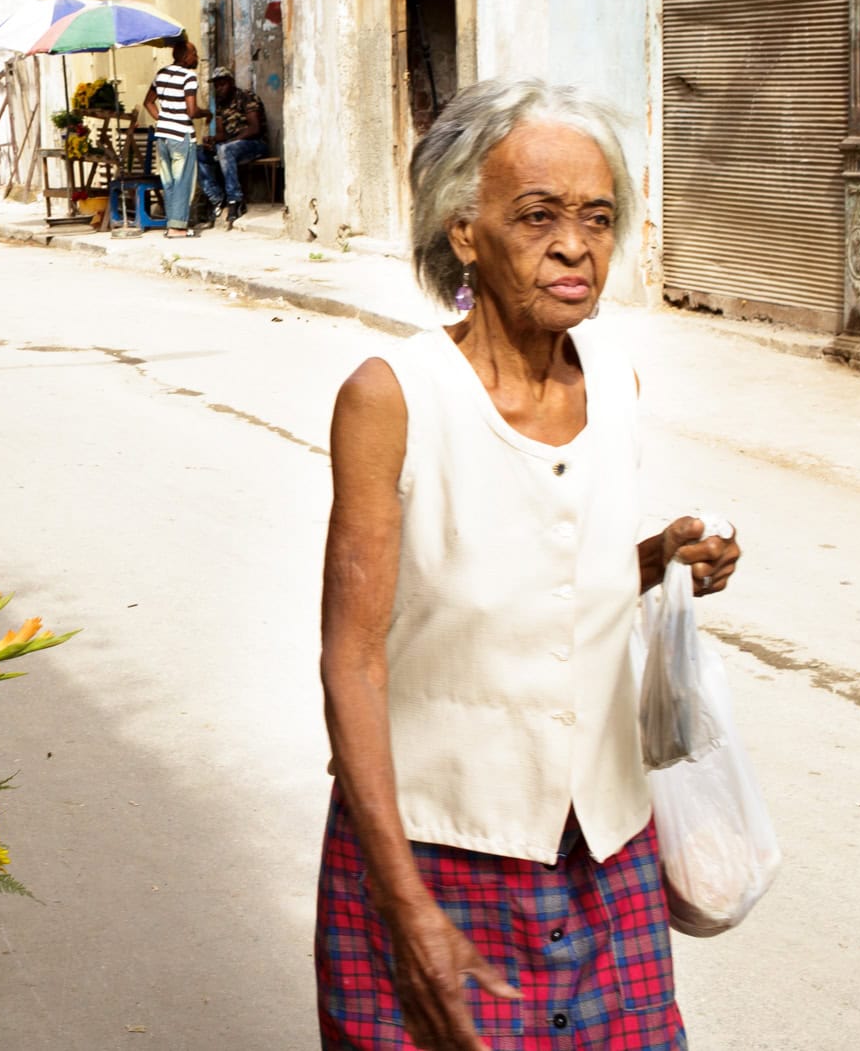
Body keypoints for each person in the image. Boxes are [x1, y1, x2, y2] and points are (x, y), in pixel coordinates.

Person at [315, 78, 743, 1050]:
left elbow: (555, 580)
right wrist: (406, 907)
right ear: (464, 229)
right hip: (437, 851)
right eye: (538, 214)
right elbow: (352, 658)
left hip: (605, 848)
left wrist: (659, 558)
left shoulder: (617, 387)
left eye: (597, 217)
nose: (574, 244)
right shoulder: (392, 397)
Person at [143, 36, 202, 238]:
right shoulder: (189, 77)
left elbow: (148, 102)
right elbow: (192, 111)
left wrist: (163, 118)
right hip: (181, 135)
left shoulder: (161, 74)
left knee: (168, 181)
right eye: (194, 53)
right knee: (183, 180)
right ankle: (178, 227)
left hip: (163, 136)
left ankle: (172, 224)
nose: (197, 57)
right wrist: (207, 114)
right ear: (186, 57)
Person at [197, 66, 266, 227]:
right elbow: (222, 134)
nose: (219, 89)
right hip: (231, 147)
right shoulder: (221, 105)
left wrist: (230, 142)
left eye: (223, 84)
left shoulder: (247, 97)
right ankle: (217, 198)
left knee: (225, 149)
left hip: (255, 145)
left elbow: (255, 128)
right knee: (200, 152)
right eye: (217, 86)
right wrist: (212, 139)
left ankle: (235, 199)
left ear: (231, 83)